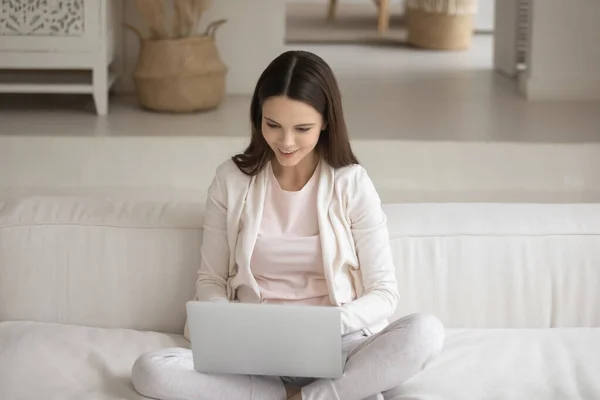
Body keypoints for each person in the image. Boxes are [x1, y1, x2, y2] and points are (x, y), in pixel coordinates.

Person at [131, 50, 444, 400]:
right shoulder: (231, 180)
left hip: (339, 345)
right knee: (151, 370)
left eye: (302, 128)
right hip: (253, 349)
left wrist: (326, 326)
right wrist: (228, 324)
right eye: (273, 125)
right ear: (258, 117)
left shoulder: (352, 183)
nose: (286, 142)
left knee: (426, 333)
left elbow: (384, 293)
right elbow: (211, 280)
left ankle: (310, 394)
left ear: (326, 121)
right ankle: (311, 395)